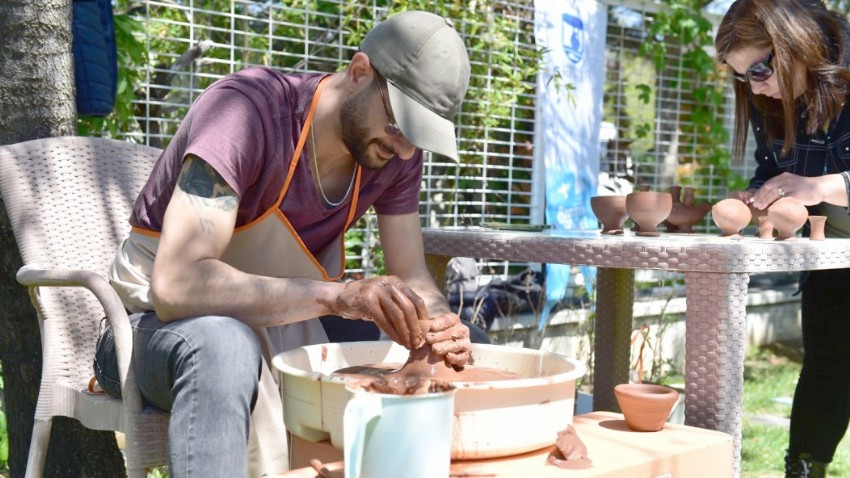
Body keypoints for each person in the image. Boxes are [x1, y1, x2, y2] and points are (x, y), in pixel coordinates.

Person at [93, 11, 480, 477]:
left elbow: (414, 273)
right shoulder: (245, 113)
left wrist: (437, 324)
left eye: (419, 139)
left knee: (454, 354)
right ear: (359, 73)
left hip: (282, 320)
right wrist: (339, 297)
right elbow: (178, 285)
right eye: (400, 126)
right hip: (147, 328)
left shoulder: (396, 155)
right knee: (225, 346)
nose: (403, 151)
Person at [715, 1, 850, 476]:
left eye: (758, 70)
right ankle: (804, 467)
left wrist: (821, 186)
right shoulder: (766, 91)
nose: (755, 88)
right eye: (741, 76)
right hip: (832, 248)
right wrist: (757, 194)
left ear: (792, 42)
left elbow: (810, 184)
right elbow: (774, 169)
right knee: (829, 363)